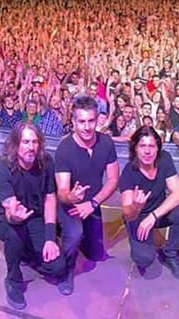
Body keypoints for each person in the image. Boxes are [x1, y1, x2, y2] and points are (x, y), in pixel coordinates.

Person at [0, 123, 67, 310]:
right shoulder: (2, 167)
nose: (31, 147)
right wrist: (15, 217)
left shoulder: (46, 163)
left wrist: (49, 238)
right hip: (5, 217)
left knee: (57, 267)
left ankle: (26, 252)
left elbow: (49, 199)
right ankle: (13, 280)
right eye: (25, 142)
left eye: (34, 142)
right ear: (15, 144)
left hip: (34, 215)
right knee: (15, 234)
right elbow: (10, 210)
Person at [54, 96, 120, 294]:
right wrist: (72, 198)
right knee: (75, 234)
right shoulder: (64, 149)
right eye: (81, 121)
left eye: (91, 121)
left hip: (92, 203)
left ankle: (64, 230)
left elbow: (113, 180)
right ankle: (66, 269)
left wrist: (92, 203)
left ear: (97, 119)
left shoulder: (106, 143)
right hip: (69, 204)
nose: (87, 127)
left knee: (95, 255)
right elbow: (63, 192)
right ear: (73, 122)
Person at [119, 126, 179, 279]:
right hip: (137, 215)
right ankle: (136, 237)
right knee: (144, 259)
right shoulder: (128, 172)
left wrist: (153, 216)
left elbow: (178, 193)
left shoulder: (164, 159)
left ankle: (169, 253)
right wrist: (137, 208)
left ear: (157, 148)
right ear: (135, 149)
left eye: (151, 146)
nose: (147, 151)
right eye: (142, 146)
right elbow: (127, 212)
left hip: (157, 213)